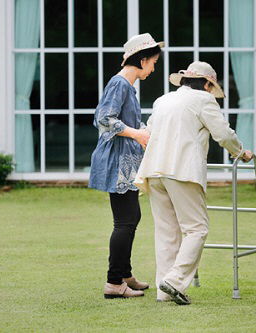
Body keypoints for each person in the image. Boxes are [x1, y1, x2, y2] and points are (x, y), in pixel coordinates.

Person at [134, 61, 253, 305]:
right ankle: (175, 281)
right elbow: (223, 134)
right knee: (196, 228)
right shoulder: (204, 100)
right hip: (182, 171)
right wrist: (241, 152)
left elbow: (150, 131)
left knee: (167, 232)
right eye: (212, 87)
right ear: (208, 84)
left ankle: (163, 291)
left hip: (154, 170)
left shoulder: (163, 100)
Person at [88, 33, 163, 299]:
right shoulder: (119, 84)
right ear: (142, 60)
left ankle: (125, 274)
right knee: (125, 221)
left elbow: (122, 121)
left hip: (127, 163)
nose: (153, 69)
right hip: (118, 164)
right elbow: (103, 119)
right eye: (153, 63)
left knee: (132, 218)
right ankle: (113, 283)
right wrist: (138, 134)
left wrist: (143, 131)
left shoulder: (126, 87)